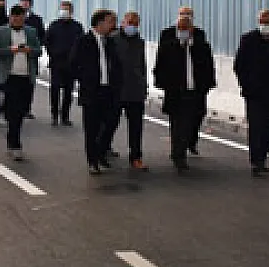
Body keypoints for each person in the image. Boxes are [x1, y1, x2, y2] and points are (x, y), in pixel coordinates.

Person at [153, 16, 216, 172]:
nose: (183, 33)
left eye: (186, 30)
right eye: (180, 30)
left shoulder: (202, 47)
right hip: (176, 92)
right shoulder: (168, 47)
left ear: (191, 30)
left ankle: (184, 146)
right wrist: (164, 85)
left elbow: (209, 68)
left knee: (190, 123)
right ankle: (178, 155)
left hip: (195, 91)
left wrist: (206, 86)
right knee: (177, 124)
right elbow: (160, 68)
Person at [234, 9, 269, 177]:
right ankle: (255, 159)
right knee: (255, 125)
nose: (265, 25)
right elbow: (239, 65)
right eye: (262, 22)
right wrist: (246, 84)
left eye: (268, 22)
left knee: (267, 125)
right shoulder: (248, 40)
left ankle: (263, 157)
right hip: (253, 92)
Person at [71, 10, 123, 175]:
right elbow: (73, 63)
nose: (113, 25)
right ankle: (92, 160)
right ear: (99, 23)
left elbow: (117, 65)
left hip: (109, 90)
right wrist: (85, 79)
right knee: (92, 127)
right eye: (110, 22)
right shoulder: (84, 41)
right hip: (92, 91)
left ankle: (101, 153)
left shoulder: (111, 42)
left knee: (110, 123)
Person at [0, 5, 42, 160]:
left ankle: (12, 133)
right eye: (14, 17)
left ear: (24, 17)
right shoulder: (1, 31)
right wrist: (10, 50)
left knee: (22, 109)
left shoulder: (31, 32)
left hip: (25, 76)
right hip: (9, 76)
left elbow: (39, 50)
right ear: (10, 17)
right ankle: (15, 143)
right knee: (14, 109)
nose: (17, 20)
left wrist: (29, 51)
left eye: (20, 17)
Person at [110, 11, 149, 171]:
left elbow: (142, 65)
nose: (131, 26)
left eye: (135, 24)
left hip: (135, 89)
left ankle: (136, 156)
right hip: (117, 89)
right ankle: (104, 147)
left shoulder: (139, 42)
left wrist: (144, 84)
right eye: (129, 23)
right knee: (110, 122)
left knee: (136, 126)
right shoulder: (113, 40)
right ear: (123, 23)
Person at [44, 0, 84, 126]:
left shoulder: (77, 27)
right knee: (55, 89)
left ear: (71, 12)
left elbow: (81, 45)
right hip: (56, 63)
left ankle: (65, 115)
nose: (64, 12)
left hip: (71, 65)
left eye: (66, 10)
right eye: (62, 9)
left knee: (68, 91)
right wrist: (52, 53)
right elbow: (47, 41)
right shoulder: (54, 25)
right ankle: (54, 114)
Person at [19, 0, 45, 120]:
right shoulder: (13, 18)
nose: (24, 5)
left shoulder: (37, 20)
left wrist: (35, 48)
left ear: (30, 5)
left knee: (29, 83)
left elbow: (42, 37)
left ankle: (26, 108)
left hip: (31, 56)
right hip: (16, 55)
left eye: (26, 3)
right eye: (22, 2)